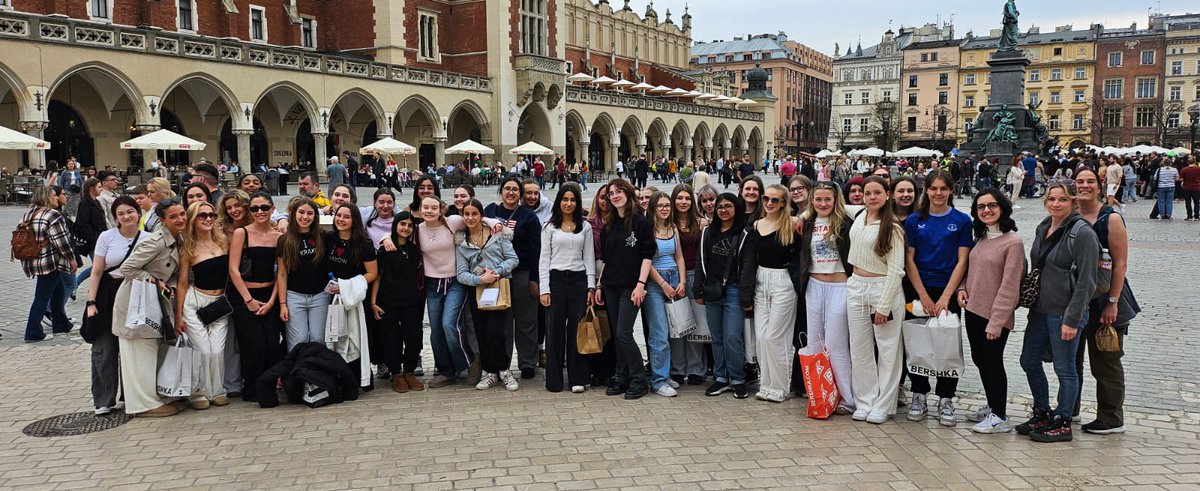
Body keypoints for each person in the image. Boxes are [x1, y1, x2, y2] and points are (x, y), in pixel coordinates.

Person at [1016, 183, 1098, 443]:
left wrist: (1072, 319)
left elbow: (1087, 281)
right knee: (1029, 360)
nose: (1056, 204)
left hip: (1065, 313)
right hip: (1040, 310)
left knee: (1065, 369)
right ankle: (1042, 411)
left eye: (1062, 199)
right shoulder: (1044, 227)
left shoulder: (1082, 233)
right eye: (1051, 199)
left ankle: (1063, 421)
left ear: (1073, 202)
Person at [1072, 168, 1140, 435]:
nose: (1085, 186)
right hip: (1076, 297)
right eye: (1080, 181)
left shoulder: (1110, 218)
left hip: (1105, 297)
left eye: (1090, 181)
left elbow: (1120, 264)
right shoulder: (1072, 215)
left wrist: (1113, 302)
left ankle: (1111, 417)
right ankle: (1070, 408)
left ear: (1099, 186)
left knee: (1105, 360)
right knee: (1071, 359)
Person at [903, 169, 973, 426]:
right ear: (927, 190)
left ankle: (946, 398)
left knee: (947, 344)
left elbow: (962, 260)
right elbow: (909, 259)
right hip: (919, 289)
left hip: (948, 291)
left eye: (943, 188)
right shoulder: (915, 220)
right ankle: (919, 394)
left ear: (951, 190)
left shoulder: (962, 220)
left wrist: (945, 297)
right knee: (917, 341)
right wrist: (923, 295)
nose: (938, 193)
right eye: (933, 188)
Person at [956, 189, 1025, 433]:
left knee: (993, 362)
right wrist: (962, 288)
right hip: (973, 310)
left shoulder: (1013, 243)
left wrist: (997, 322)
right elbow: (971, 268)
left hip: (994, 316)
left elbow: (1010, 287)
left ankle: (1000, 415)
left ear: (1002, 207)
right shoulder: (982, 237)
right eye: (981, 206)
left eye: (992, 205)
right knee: (980, 360)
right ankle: (992, 405)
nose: (986, 210)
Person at [112, 197, 187, 417]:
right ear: (162, 220)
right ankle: (143, 404)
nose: (180, 219)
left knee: (150, 352)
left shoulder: (178, 238)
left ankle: (153, 399)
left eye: (182, 214)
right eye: (173, 216)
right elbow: (128, 268)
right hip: (136, 303)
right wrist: (155, 281)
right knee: (139, 354)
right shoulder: (156, 241)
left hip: (152, 302)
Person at [846, 176, 906, 424]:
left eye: (877, 193)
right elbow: (833, 204)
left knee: (888, 349)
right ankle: (865, 401)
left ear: (887, 195)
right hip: (856, 286)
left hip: (882, 288)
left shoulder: (892, 227)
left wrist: (884, 305)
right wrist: (804, 215)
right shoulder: (859, 215)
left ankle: (884, 404)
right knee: (859, 348)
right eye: (867, 193)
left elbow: (896, 269)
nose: (872, 197)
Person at [797, 181, 858, 414]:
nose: (823, 204)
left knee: (835, 343)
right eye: (818, 199)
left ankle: (847, 398)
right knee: (815, 341)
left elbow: (864, 209)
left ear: (835, 200)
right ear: (812, 201)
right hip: (814, 285)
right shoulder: (808, 223)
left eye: (828, 199)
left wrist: (805, 213)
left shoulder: (846, 221)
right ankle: (821, 393)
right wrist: (804, 215)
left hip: (840, 286)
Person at [597, 179, 656, 400]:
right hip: (611, 286)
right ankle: (621, 377)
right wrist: (600, 284)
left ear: (628, 193)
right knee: (617, 334)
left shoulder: (641, 223)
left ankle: (639, 380)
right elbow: (606, 260)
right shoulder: (609, 226)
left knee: (624, 333)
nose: (614, 196)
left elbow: (647, 256)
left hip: (631, 287)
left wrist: (641, 285)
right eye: (611, 193)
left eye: (618, 191)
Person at [84, 196, 143, 415]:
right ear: (115, 217)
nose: (126, 217)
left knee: (132, 348)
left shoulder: (148, 238)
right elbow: (96, 271)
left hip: (135, 293)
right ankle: (103, 399)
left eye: (130, 211)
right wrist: (91, 301)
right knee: (104, 348)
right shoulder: (106, 237)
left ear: (138, 213)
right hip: (107, 294)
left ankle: (132, 395)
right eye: (121, 214)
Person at [742, 184, 799, 403]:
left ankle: (780, 387)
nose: (769, 203)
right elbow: (749, 259)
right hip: (761, 279)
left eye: (775, 200)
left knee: (776, 337)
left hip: (783, 281)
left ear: (783, 203)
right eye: (766, 198)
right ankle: (765, 384)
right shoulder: (757, 225)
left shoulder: (792, 224)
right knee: (761, 337)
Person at [456, 199, 521, 391]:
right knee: (482, 333)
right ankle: (489, 371)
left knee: (495, 332)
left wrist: (497, 272)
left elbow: (513, 259)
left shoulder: (498, 234)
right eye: (467, 214)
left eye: (474, 214)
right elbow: (461, 273)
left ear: (481, 215)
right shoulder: (461, 243)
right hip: (477, 291)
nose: (470, 218)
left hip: (500, 287)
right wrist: (480, 279)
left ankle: (504, 370)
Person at [538, 183, 595, 393]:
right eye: (565, 199)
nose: (568, 204)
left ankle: (577, 377)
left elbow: (589, 257)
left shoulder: (585, 227)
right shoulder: (549, 227)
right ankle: (554, 380)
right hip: (556, 280)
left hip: (579, 280)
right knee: (554, 330)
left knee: (576, 330)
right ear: (559, 202)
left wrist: (591, 287)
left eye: (572, 200)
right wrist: (544, 289)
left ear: (577, 203)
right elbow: (544, 260)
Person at [693, 192, 751, 399]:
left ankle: (738, 379)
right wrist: (697, 289)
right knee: (716, 338)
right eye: (720, 207)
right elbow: (700, 262)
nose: (723, 210)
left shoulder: (744, 234)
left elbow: (747, 267)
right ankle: (720, 377)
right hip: (712, 290)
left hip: (734, 291)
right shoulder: (708, 232)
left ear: (736, 208)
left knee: (732, 337)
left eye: (728, 206)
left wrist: (746, 296)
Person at [174, 201, 231, 410]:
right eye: (202, 215)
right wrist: (178, 315)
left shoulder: (223, 241)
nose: (208, 219)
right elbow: (182, 283)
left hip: (220, 303)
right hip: (195, 302)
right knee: (203, 351)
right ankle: (199, 392)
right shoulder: (188, 247)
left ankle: (218, 391)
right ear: (193, 219)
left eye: (211, 215)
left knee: (217, 350)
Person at [228, 192, 285, 402]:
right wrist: (248, 300)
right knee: (254, 344)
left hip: (269, 294)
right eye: (254, 208)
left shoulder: (279, 236)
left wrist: (272, 302)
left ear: (272, 209)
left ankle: (267, 386)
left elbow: (281, 273)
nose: (260, 212)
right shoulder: (241, 233)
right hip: (245, 295)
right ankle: (251, 388)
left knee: (272, 343)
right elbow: (233, 270)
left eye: (264, 208)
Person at [484, 177, 543, 380]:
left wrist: (534, 279)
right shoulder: (491, 211)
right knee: (503, 322)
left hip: (522, 274)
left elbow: (536, 250)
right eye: (507, 188)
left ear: (520, 194)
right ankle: (503, 363)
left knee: (526, 320)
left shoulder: (528, 216)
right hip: (497, 275)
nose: (511, 192)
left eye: (515, 189)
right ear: (501, 191)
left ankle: (528, 362)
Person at [325, 203, 379, 389]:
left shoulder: (364, 244)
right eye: (339, 215)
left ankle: (361, 377)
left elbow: (372, 273)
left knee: (356, 338)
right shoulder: (329, 238)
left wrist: (346, 287)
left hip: (355, 299)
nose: (341, 219)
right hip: (333, 297)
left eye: (346, 217)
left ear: (354, 220)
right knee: (337, 337)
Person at [372, 210, 426, 393]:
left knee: (414, 336)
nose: (406, 228)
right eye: (403, 224)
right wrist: (373, 303)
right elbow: (378, 277)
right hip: (388, 301)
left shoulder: (413, 249)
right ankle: (396, 373)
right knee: (391, 338)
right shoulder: (385, 249)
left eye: (410, 225)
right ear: (395, 225)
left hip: (410, 301)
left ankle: (409, 371)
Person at [640, 191, 684, 398]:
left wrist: (682, 281)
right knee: (659, 333)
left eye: (667, 205)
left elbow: (679, 256)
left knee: (675, 331)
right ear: (653, 208)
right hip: (655, 283)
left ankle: (666, 374)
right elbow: (646, 261)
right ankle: (658, 381)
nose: (665, 209)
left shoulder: (672, 228)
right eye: (660, 206)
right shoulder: (647, 229)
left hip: (674, 278)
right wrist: (663, 284)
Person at [21, 186, 77, 342]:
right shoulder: (52, 215)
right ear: (45, 197)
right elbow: (62, 241)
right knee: (42, 296)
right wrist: (71, 259)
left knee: (58, 291)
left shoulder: (29, 214)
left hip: (34, 260)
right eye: (53, 195)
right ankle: (33, 332)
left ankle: (61, 324)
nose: (56, 198)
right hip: (50, 261)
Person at [277, 197, 329, 352]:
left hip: (320, 295)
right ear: (294, 213)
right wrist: (283, 304)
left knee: (318, 339)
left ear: (315, 216)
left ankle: (316, 367)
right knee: (298, 341)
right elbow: (282, 274)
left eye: (310, 213)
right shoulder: (285, 240)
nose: (305, 217)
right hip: (294, 296)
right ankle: (296, 367)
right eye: (301, 212)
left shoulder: (323, 236)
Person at [669, 184, 708, 386]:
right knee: (677, 324)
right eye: (679, 198)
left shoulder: (701, 223)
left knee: (696, 324)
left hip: (696, 276)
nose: (683, 202)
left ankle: (696, 368)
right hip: (674, 278)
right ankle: (677, 368)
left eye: (687, 198)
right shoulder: (667, 223)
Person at [72, 178, 108, 298]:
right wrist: (93, 237)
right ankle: (77, 286)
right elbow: (82, 223)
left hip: (100, 239)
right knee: (98, 266)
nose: (101, 189)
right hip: (93, 241)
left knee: (99, 266)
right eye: (99, 187)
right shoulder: (85, 203)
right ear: (91, 188)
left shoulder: (96, 201)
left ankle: (82, 287)